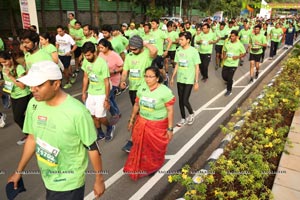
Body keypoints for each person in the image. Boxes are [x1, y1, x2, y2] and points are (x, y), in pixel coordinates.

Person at [8, 60, 105, 199]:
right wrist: (19, 171)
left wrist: (99, 179)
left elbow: (92, 148)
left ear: (56, 84)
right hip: (48, 178)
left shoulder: (77, 112)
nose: (32, 89)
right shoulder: (33, 104)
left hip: (69, 182)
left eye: (39, 85)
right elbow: (32, 138)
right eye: (31, 84)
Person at [123, 66, 175, 180]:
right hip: (141, 122)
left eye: (151, 76)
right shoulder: (142, 88)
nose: (147, 79)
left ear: (157, 78)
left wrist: (170, 129)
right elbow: (136, 105)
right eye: (146, 76)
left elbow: (170, 110)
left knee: (154, 148)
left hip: (157, 125)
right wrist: (131, 120)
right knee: (140, 146)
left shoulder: (165, 91)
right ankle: (141, 165)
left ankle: (153, 166)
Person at [119, 35, 157, 153]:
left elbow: (154, 50)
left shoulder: (146, 54)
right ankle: (138, 138)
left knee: (142, 114)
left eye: (135, 49)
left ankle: (134, 140)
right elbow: (125, 71)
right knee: (137, 114)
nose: (132, 51)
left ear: (141, 47)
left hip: (146, 89)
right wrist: (122, 81)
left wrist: (144, 43)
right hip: (134, 89)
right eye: (131, 49)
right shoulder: (129, 56)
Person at [81, 42, 115, 142]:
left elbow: (107, 82)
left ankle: (109, 127)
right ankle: (100, 132)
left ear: (94, 52)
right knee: (92, 114)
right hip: (91, 92)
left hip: (101, 93)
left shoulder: (102, 63)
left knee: (100, 116)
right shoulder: (86, 61)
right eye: (85, 55)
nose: (87, 57)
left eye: (88, 55)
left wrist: (107, 99)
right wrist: (83, 92)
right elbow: (85, 77)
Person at [0, 51, 32, 145]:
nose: (3, 64)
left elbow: (22, 86)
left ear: (10, 58)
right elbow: (7, 81)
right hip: (13, 95)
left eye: (5, 62)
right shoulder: (4, 69)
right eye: (1, 63)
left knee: (17, 117)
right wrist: (2, 82)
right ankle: (30, 132)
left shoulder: (19, 68)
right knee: (19, 117)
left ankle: (30, 135)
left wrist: (10, 75)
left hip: (23, 95)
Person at [170, 31, 200, 127]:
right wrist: (172, 77)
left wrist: (196, 82)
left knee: (185, 100)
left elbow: (197, 67)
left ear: (188, 40)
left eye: (182, 40)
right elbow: (177, 65)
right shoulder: (178, 50)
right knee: (180, 100)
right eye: (179, 39)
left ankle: (191, 113)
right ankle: (183, 118)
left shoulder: (194, 51)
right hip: (180, 79)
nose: (180, 41)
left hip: (189, 80)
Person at [98, 38, 123, 125]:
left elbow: (122, 66)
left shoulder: (114, 55)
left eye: (102, 48)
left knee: (107, 98)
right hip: (105, 80)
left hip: (114, 80)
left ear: (107, 47)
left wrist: (114, 71)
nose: (100, 50)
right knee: (111, 98)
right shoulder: (100, 54)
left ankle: (114, 114)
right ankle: (117, 113)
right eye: (99, 48)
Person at [221, 30, 246, 96]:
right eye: (231, 36)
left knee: (229, 77)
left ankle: (229, 90)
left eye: (233, 36)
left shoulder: (239, 44)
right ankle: (230, 81)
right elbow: (224, 50)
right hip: (226, 62)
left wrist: (237, 57)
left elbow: (244, 53)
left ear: (237, 37)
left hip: (234, 64)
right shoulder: (227, 42)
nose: (231, 37)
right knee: (224, 76)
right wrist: (224, 56)